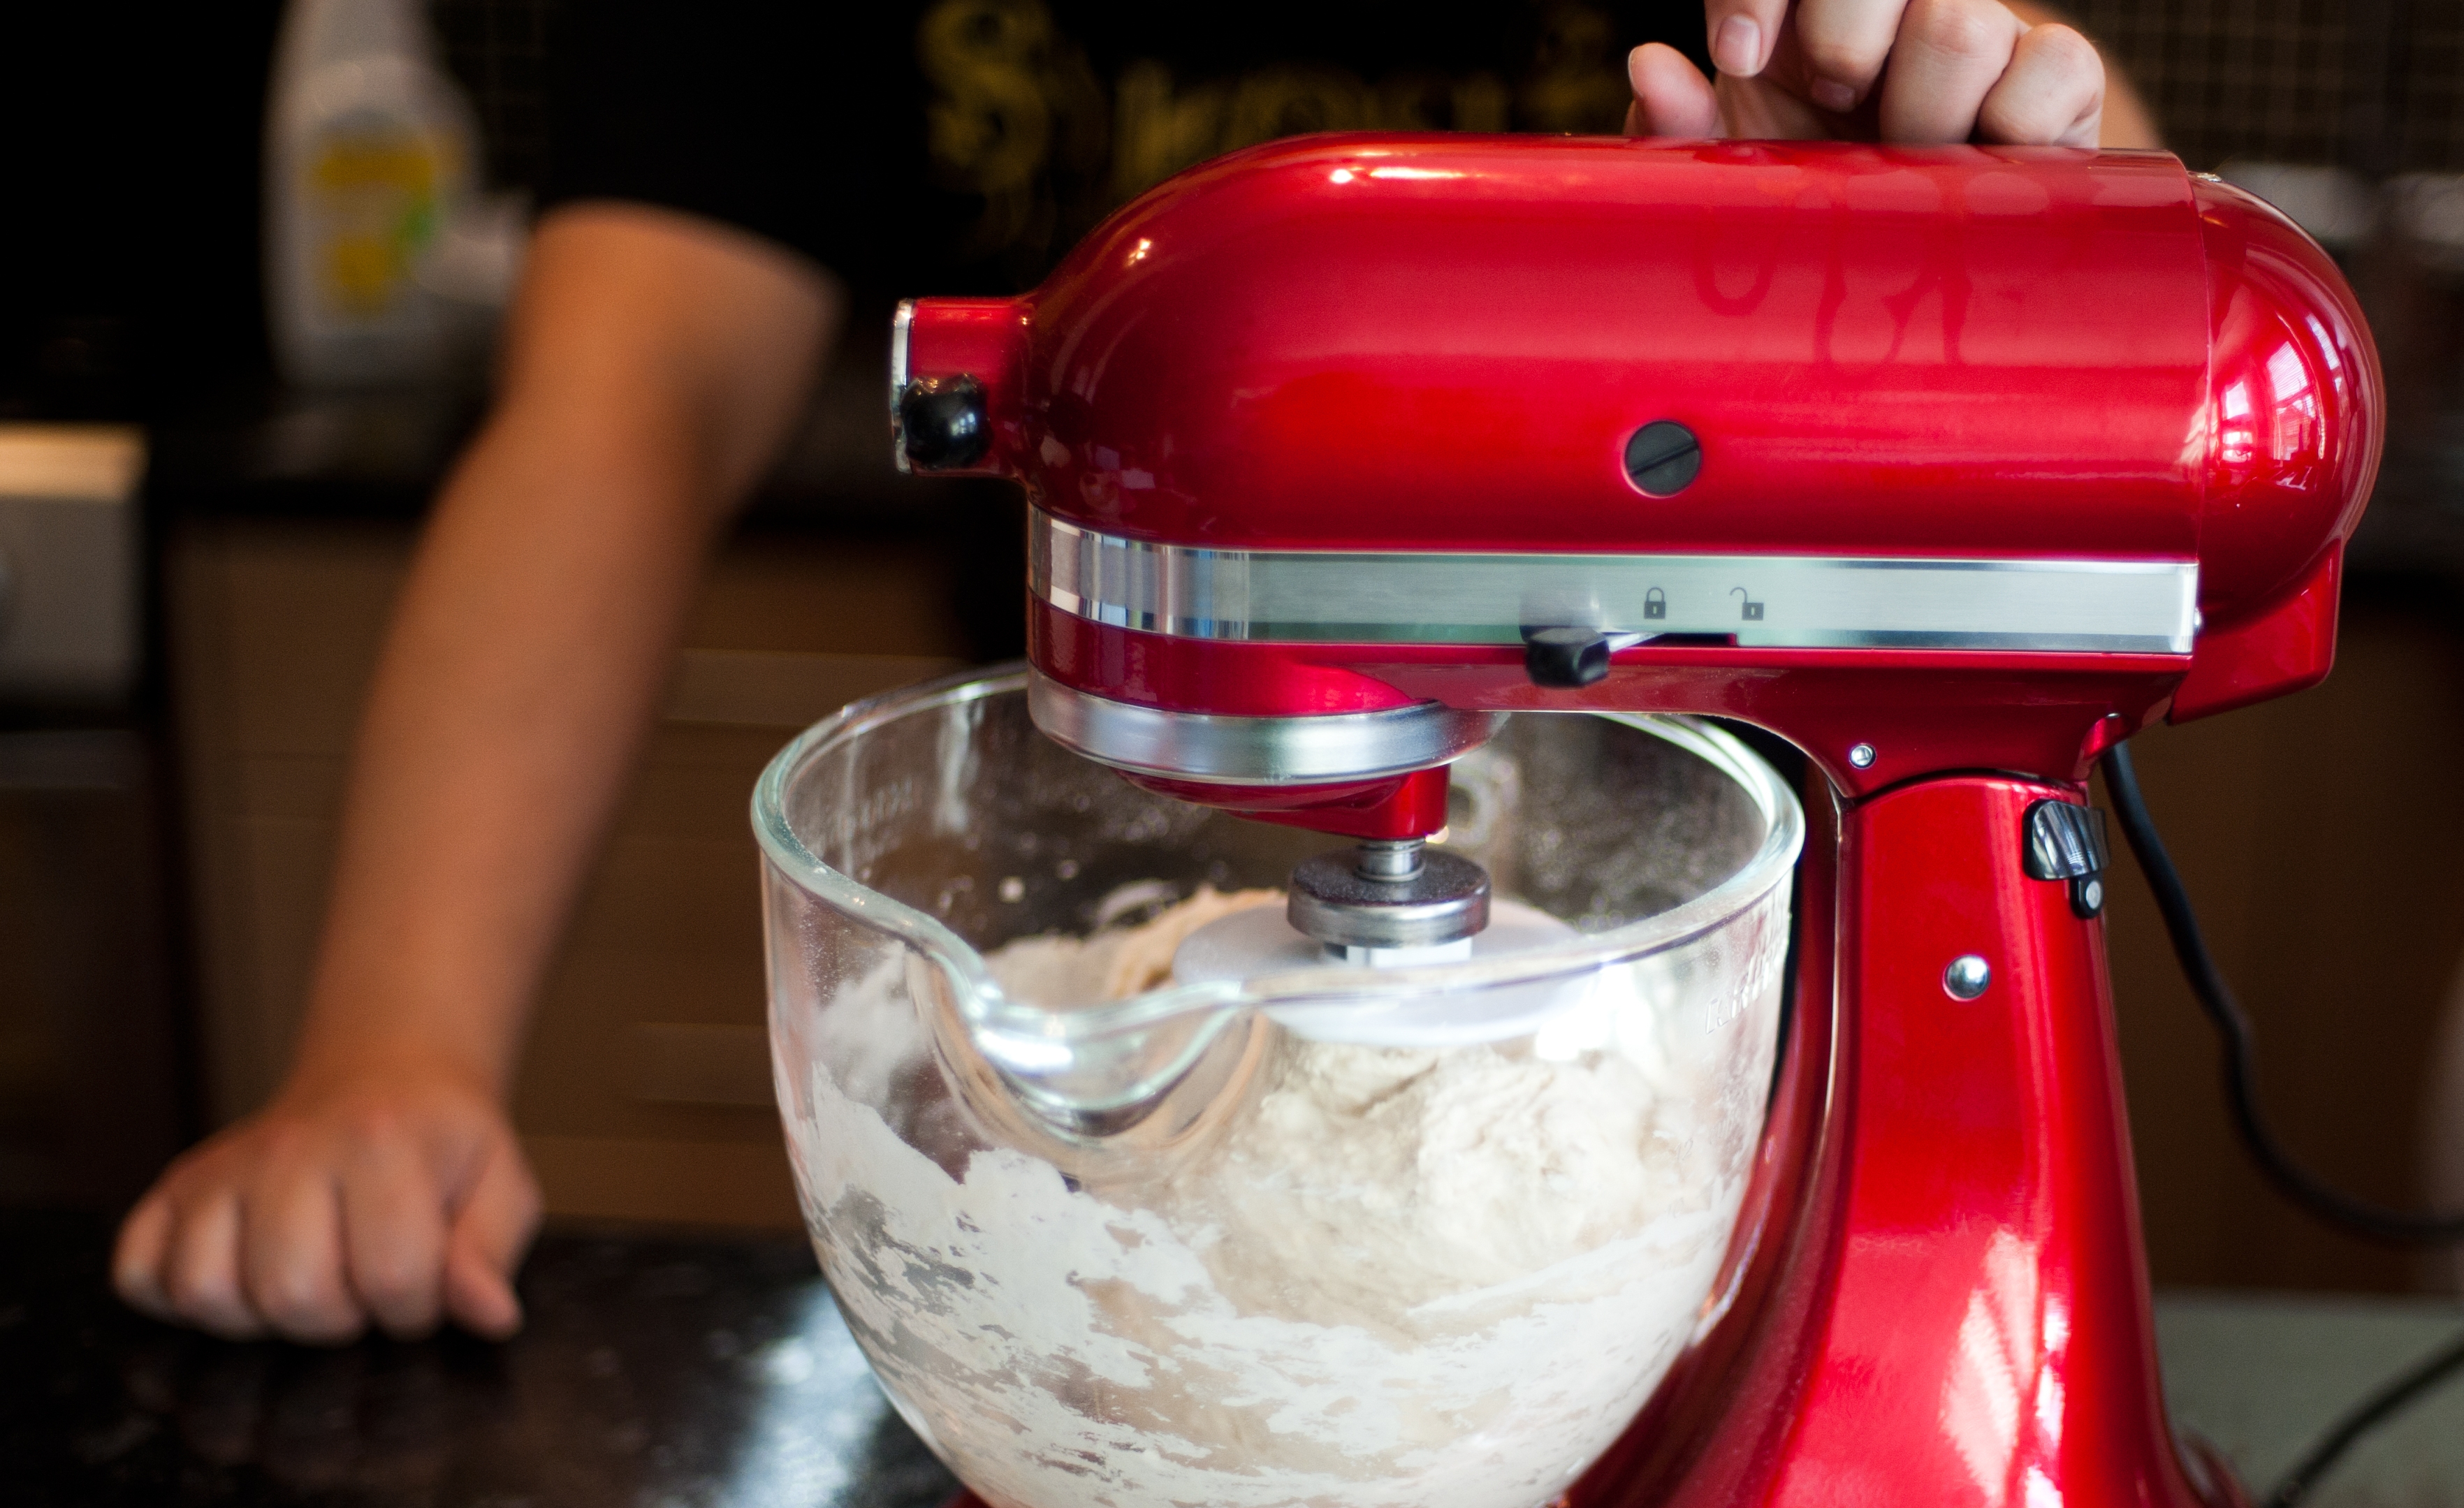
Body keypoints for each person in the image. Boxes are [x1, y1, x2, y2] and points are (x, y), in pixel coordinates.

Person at [114, 0, 2160, 1343]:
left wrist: (1946, 228)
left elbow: (2128, 268)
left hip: (1724, 1054)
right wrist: (391, 1054)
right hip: (1080, 992)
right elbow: (621, 400)